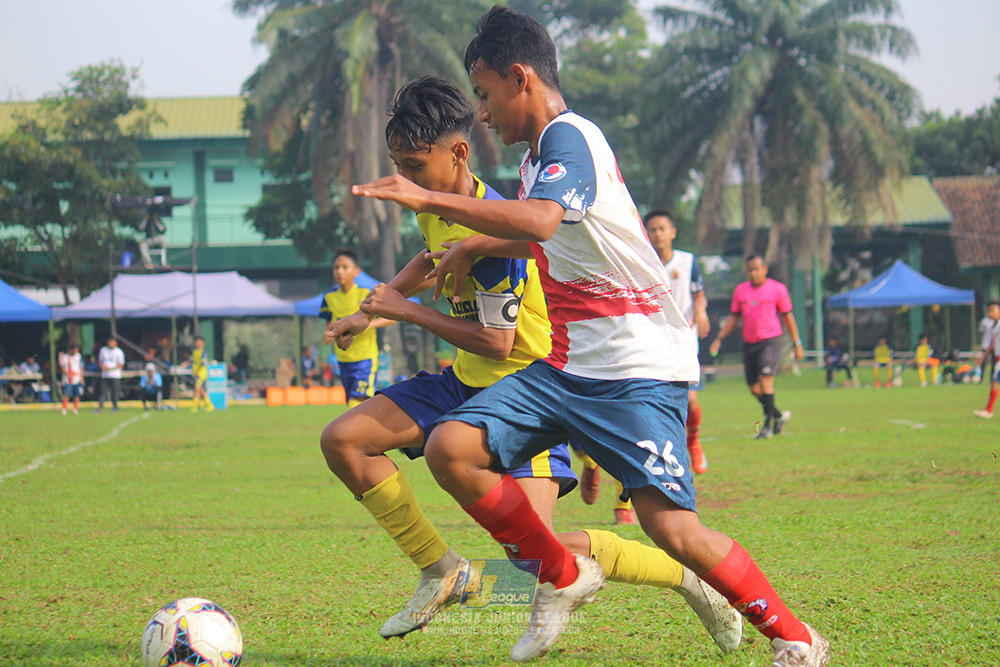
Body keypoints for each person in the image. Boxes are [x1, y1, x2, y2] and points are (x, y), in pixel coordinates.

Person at [352, 8, 828, 665]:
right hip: (569, 365)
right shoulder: (538, 161)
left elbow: (544, 223)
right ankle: (564, 573)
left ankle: (799, 639)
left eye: (485, 95)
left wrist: (431, 202)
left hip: (635, 363)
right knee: (450, 447)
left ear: (521, 78)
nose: (482, 115)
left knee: (674, 531)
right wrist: (479, 242)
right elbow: (540, 232)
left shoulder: (570, 139)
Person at [325, 74, 740, 652]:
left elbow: (497, 344)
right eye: (400, 166)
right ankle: (442, 570)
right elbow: (431, 258)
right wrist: (372, 313)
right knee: (345, 441)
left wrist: (406, 313)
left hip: (527, 390)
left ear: (458, 153)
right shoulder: (440, 205)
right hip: (464, 384)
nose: (409, 182)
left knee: (533, 564)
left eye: (415, 167)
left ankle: (688, 577)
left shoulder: (498, 230)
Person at [709, 255, 804, 439]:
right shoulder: (740, 291)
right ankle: (778, 416)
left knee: (765, 379)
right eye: (750, 270)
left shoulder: (777, 289)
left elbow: (788, 317)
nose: (754, 273)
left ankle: (767, 427)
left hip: (770, 341)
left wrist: (797, 343)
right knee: (754, 387)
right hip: (750, 343)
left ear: (765, 269)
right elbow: (734, 317)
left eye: (757, 269)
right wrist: (719, 338)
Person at [319, 250, 395, 407]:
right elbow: (328, 322)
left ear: (356, 272)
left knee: (357, 401)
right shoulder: (328, 297)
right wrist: (327, 334)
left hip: (365, 358)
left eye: (345, 267)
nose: (339, 271)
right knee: (356, 402)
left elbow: (391, 318)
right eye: (336, 267)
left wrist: (368, 324)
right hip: (343, 359)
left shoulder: (366, 293)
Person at [973, 300, 1000, 418]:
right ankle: (988, 410)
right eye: (989, 311)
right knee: (994, 382)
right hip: (998, 358)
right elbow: (992, 345)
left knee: (994, 382)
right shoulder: (994, 326)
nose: (990, 313)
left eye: (992, 310)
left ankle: (988, 411)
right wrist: (982, 357)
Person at [185, 336, 214, 413]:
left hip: (201, 373)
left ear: (203, 343)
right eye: (196, 342)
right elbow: (191, 360)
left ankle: (195, 406)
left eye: (199, 342)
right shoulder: (195, 352)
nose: (197, 343)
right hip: (196, 372)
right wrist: (184, 364)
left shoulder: (203, 352)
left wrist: (196, 371)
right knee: (200, 389)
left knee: (197, 388)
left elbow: (202, 363)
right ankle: (210, 405)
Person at [138, 195, 168, 269]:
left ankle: (164, 262)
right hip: (148, 239)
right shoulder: (146, 219)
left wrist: (156, 221)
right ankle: (149, 262)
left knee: (163, 239)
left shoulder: (158, 218)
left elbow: (163, 230)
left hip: (157, 238)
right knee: (142, 245)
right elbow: (141, 228)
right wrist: (146, 219)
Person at [97, 337, 125, 412]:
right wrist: (103, 367)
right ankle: (100, 407)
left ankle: (115, 406)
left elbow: (121, 364)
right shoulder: (103, 350)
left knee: (115, 392)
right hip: (105, 375)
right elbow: (100, 361)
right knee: (102, 392)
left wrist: (111, 369)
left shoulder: (119, 352)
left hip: (115, 375)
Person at [59, 344, 84, 415]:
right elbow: (63, 368)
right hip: (68, 379)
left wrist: (81, 377)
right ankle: (64, 409)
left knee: (77, 395)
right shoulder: (65, 357)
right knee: (67, 394)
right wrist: (68, 374)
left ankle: (75, 409)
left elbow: (81, 367)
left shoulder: (79, 356)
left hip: (77, 378)